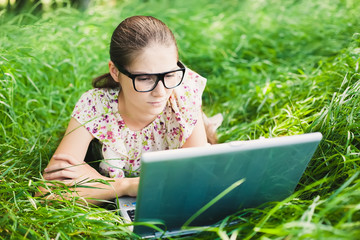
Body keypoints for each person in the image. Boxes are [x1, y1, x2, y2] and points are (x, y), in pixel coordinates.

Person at [38, 16, 222, 205]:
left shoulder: (182, 95)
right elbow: (47, 194)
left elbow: (197, 182)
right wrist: (124, 186)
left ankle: (206, 127)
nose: (161, 92)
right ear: (115, 71)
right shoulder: (95, 106)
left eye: (169, 75)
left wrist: (102, 186)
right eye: (144, 78)